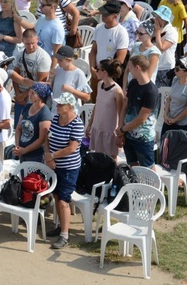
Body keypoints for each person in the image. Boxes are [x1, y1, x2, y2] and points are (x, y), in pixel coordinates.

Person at [44, 92, 83, 249]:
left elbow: (72, 148)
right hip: (54, 165)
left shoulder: (77, 124)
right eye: (58, 104)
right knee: (56, 195)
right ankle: (61, 226)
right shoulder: (55, 119)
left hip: (69, 168)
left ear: (71, 107)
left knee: (63, 200)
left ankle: (65, 235)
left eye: (61, 104)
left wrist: (52, 156)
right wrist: (49, 157)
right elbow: (48, 138)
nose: (57, 106)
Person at [117, 55, 158, 168]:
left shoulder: (151, 91)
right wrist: (121, 130)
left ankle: (153, 186)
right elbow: (125, 106)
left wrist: (122, 129)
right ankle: (136, 185)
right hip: (128, 134)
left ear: (137, 67)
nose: (128, 70)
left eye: (130, 67)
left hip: (143, 137)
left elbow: (141, 119)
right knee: (132, 165)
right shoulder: (133, 83)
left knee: (148, 168)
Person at [11, 28, 52, 128]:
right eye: (27, 43)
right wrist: (17, 93)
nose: (31, 46)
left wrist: (24, 96)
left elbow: (40, 83)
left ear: (37, 39)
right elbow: (15, 75)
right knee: (18, 126)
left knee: (31, 128)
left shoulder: (43, 57)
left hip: (34, 97)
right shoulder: (20, 54)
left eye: (33, 43)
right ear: (23, 41)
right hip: (20, 95)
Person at [86, 59, 124, 159]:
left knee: (111, 158)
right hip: (98, 127)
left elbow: (121, 114)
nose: (95, 70)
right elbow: (97, 105)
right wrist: (90, 124)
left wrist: (120, 134)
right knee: (99, 157)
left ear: (104, 72)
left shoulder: (117, 91)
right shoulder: (99, 85)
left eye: (97, 69)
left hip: (110, 131)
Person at [14, 82, 52, 162]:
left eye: (33, 93)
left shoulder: (44, 113)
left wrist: (25, 150)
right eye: (30, 92)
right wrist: (17, 146)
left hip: (36, 156)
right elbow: (18, 128)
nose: (29, 95)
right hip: (22, 153)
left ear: (40, 96)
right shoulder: (27, 107)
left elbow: (42, 139)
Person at [162, 57, 187, 136]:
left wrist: (175, 120)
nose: (175, 70)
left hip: (183, 124)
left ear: (186, 71)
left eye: (177, 69)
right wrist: (165, 115)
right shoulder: (175, 79)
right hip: (169, 120)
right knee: (164, 146)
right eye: (175, 68)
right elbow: (170, 98)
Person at [51, 45, 91, 111]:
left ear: (69, 60)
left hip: (69, 113)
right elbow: (54, 90)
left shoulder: (78, 74)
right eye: (57, 59)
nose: (57, 62)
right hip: (55, 111)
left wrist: (72, 90)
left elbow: (87, 97)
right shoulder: (58, 69)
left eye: (60, 60)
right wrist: (51, 78)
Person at [125, 19, 161, 85]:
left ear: (149, 34)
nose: (137, 36)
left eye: (141, 34)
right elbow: (127, 69)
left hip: (144, 89)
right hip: (130, 86)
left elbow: (148, 76)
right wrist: (124, 88)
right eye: (137, 32)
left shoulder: (154, 52)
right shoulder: (136, 45)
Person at [151, 6, 178, 86]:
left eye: (159, 17)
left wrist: (158, 32)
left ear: (165, 20)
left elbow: (161, 48)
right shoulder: (153, 26)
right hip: (153, 65)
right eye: (156, 16)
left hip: (165, 68)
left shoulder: (172, 32)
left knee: (162, 95)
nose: (156, 19)